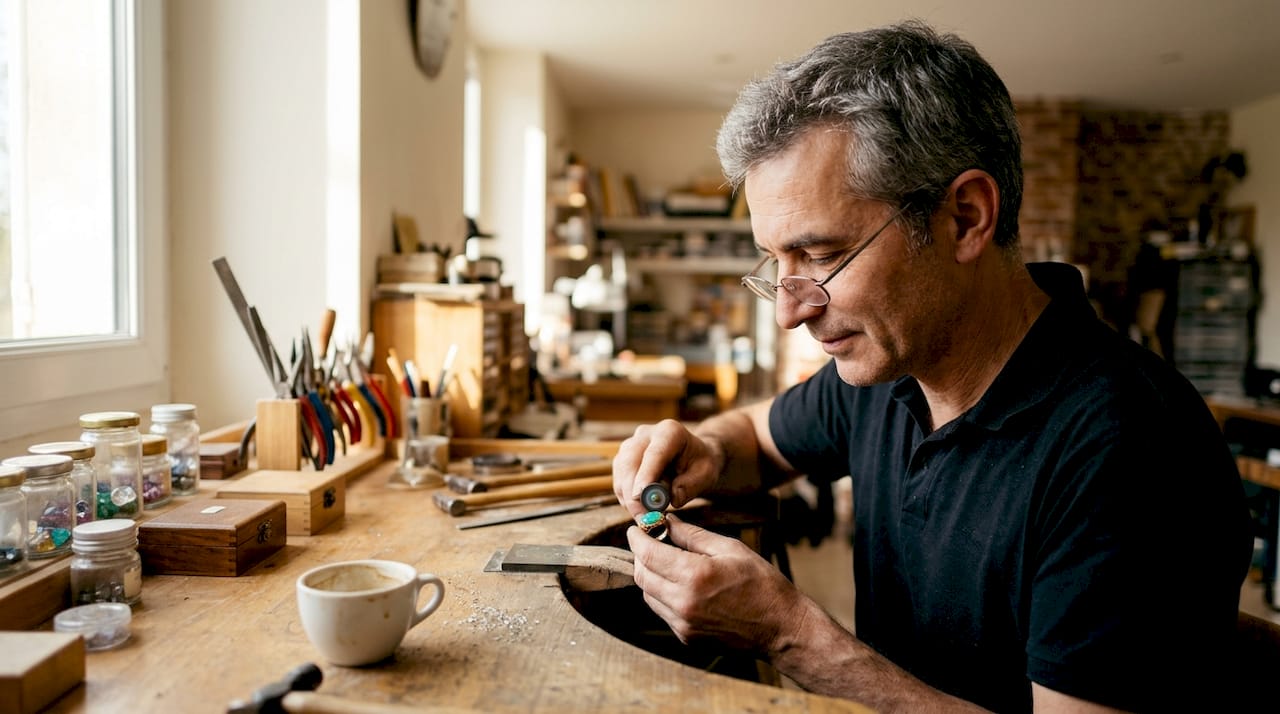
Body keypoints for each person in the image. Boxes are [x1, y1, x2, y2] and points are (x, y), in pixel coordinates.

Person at [612, 21, 1252, 713]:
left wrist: (789, 633)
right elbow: (754, 438)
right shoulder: (892, 367)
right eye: (777, 265)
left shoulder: (1127, 447)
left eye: (823, 256)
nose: (789, 313)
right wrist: (701, 446)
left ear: (966, 218)